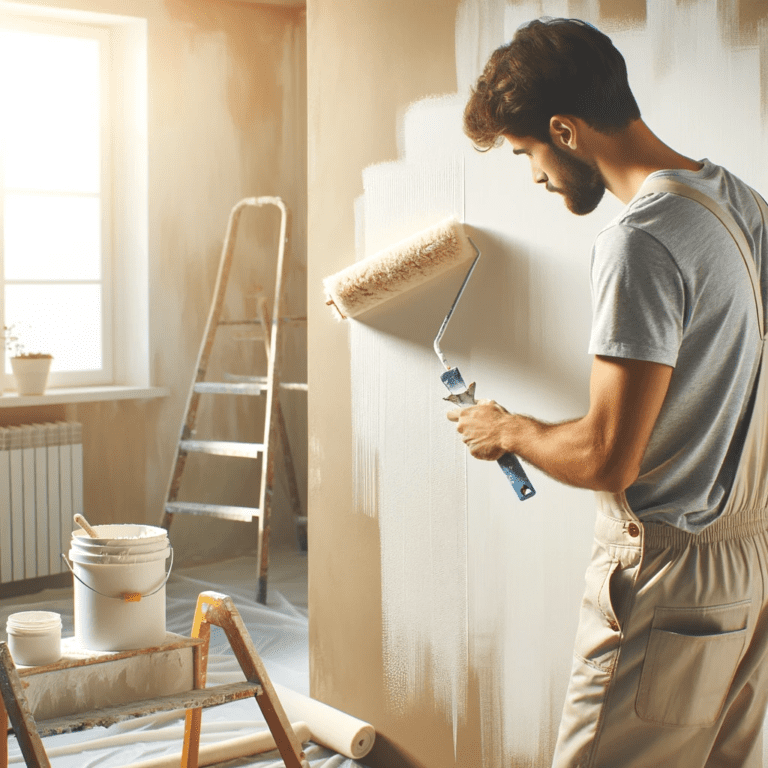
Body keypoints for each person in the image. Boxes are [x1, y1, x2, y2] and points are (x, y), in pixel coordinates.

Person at [449, 16, 768, 768]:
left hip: (669, 583)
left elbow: (607, 457)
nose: (533, 175)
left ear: (564, 130)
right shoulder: (740, 202)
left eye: (528, 152)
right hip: (749, 566)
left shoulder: (641, 243)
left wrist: (509, 429)